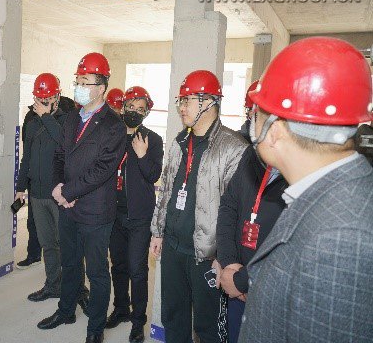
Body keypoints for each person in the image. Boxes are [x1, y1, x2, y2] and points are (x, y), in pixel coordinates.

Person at [238, 37, 373, 343]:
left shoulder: (340, 238)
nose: (251, 120)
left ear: (274, 131)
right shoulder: (330, 192)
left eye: (257, 112)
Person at [149, 70, 247, 343]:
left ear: (209, 102)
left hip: (207, 254)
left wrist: (224, 256)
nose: (181, 107)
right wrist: (158, 231)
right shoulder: (180, 141)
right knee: (173, 316)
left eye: (188, 100)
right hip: (173, 248)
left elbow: (236, 211)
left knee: (208, 326)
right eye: (180, 100)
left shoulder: (233, 148)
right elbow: (166, 189)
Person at [38, 52, 126, 343]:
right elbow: (60, 155)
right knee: (70, 264)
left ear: (101, 87)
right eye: (77, 81)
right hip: (68, 207)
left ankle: (95, 329)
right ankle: (66, 311)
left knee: (97, 273)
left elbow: (103, 169)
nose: (78, 87)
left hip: (95, 212)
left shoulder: (113, 124)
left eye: (85, 81)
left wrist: (68, 192)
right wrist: (58, 186)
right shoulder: (72, 117)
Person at [105, 86, 163, 343]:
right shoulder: (113, 135)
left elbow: (153, 175)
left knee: (137, 270)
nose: (134, 112)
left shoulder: (152, 139)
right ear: (123, 107)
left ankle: (138, 321)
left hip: (139, 216)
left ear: (146, 112)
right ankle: (121, 308)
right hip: (113, 213)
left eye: (140, 109)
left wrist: (141, 155)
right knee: (118, 265)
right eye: (131, 107)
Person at [215, 145, 288, 343]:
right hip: (235, 280)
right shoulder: (252, 154)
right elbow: (229, 206)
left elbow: (292, 244)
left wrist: (243, 281)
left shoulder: (300, 168)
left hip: (270, 292)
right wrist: (229, 263)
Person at [17, 94, 77, 269]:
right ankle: (52, 281)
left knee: (64, 242)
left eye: (48, 99)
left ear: (57, 98)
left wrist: (46, 116)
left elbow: (65, 142)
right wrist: (20, 188)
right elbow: (26, 159)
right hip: (36, 192)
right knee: (47, 244)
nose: (43, 103)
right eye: (39, 98)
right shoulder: (32, 123)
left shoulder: (68, 120)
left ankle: (70, 283)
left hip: (58, 194)